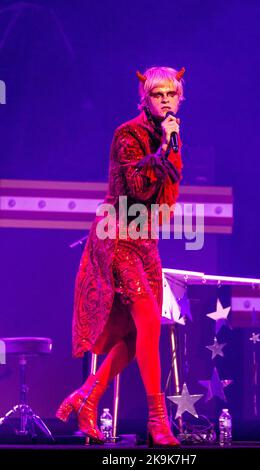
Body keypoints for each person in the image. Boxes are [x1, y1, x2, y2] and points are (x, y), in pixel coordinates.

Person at [56, 66, 185, 447]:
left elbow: (167, 195)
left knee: (133, 337)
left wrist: (170, 147)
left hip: (146, 242)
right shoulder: (127, 134)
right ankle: (158, 422)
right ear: (144, 98)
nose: (165, 100)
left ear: (180, 98)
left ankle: (87, 397)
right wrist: (164, 148)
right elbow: (137, 187)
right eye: (157, 94)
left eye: (171, 94)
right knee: (149, 324)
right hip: (116, 238)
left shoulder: (172, 137)